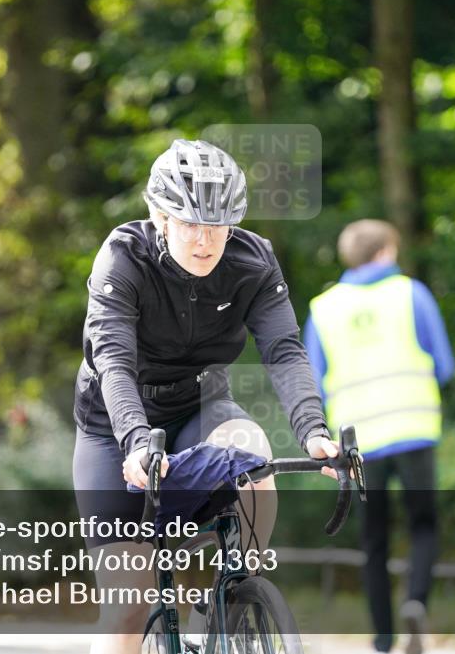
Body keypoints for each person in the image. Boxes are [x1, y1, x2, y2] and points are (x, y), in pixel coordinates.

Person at [73, 138, 340, 654]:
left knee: (253, 454)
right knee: (128, 604)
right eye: (190, 224)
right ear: (160, 217)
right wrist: (136, 442)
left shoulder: (252, 261)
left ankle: (225, 599)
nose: (205, 241)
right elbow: (114, 361)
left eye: (219, 225)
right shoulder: (123, 258)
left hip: (199, 404)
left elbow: (284, 350)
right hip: (114, 423)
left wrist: (313, 430)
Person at [304, 219, 455, 654]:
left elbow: (311, 383)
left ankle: (383, 638)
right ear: (385, 251)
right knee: (423, 525)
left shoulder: (324, 309)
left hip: (359, 445)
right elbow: (444, 365)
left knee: (373, 541)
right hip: (414, 430)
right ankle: (416, 601)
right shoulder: (411, 293)